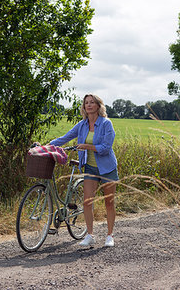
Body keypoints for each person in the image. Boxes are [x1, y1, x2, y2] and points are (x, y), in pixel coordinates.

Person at [50, 94, 119, 247]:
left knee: (109, 202)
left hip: (107, 168)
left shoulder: (106, 124)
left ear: (98, 106)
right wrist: (48, 146)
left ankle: (109, 236)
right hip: (90, 167)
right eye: (86, 103)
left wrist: (88, 147)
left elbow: (106, 148)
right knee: (87, 202)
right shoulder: (82, 125)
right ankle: (90, 235)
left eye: (92, 102)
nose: (88, 105)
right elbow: (65, 137)